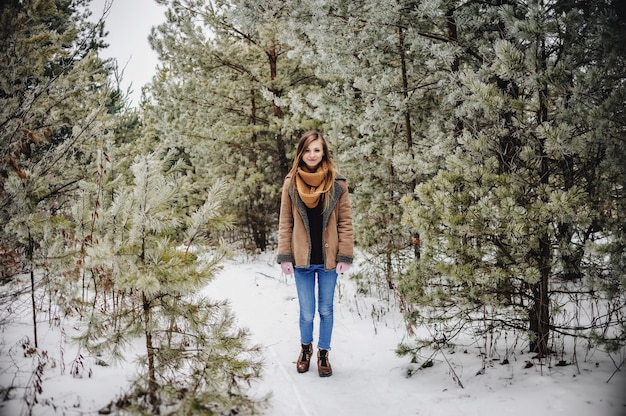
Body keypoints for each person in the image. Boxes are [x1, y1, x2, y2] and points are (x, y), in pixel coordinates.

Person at [277, 130, 354, 377]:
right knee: (307, 312)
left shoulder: (338, 183)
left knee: (326, 310)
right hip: (301, 260)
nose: (312, 155)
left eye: (317, 150)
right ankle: (305, 349)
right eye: (308, 150)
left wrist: (345, 255)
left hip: (329, 260)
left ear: (324, 152)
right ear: (301, 153)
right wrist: (285, 255)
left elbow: (345, 222)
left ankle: (323, 353)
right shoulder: (291, 183)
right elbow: (285, 222)